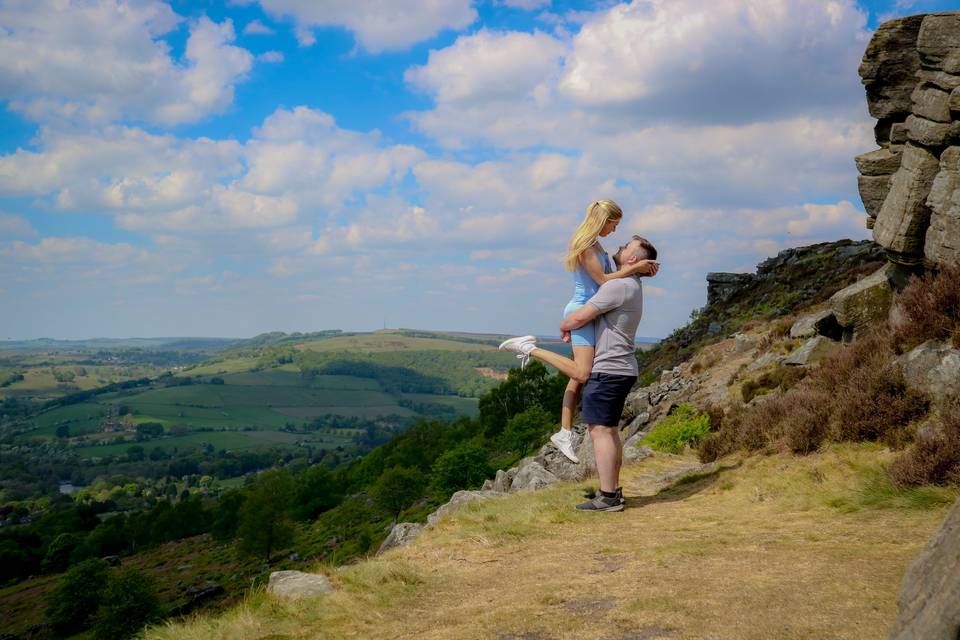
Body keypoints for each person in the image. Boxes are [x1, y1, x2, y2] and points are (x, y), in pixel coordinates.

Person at [499, 235, 659, 512]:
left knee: (600, 432)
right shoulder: (630, 284)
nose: (619, 248)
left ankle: (608, 497)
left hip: (609, 369)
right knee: (608, 432)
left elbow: (577, 319)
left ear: (633, 259)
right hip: (621, 368)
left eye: (625, 248)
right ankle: (612, 493)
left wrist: (564, 324)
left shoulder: (618, 286)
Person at [550, 200, 656, 465]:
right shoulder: (585, 245)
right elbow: (602, 281)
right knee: (582, 372)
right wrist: (634, 268)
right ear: (602, 220)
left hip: (592, 311)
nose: (615, 228)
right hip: (582, 309)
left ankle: (564, 432)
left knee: (579, 375)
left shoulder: (597, 245)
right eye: (614, 223)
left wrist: (640, 271)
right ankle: (529, 348)